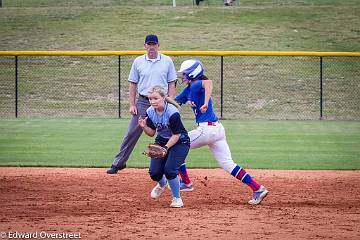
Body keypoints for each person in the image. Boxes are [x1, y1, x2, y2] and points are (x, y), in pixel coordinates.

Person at [175, 59, 269, 205]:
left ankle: (186, 182)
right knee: (227, 164)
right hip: (216, 129)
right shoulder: (188, 89)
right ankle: (258, 188)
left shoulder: (196, 84)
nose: (183, 76)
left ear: (193, 74)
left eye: (185, 73)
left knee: (177, 145)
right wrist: (158, 99)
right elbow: (175, 102)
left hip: (207, 129)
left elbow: (209, 83)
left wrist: (205, 102)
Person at [106, 34, 177, 174]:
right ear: (145, 46)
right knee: (131, 133)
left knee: (169, 132)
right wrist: (132, 104)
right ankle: (118, 163)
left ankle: (170, 166)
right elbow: (133, 83)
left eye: (154, 44)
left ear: (158, 45)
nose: (151, 47)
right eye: (149, 44)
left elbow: (171, 82)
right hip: (143, 102)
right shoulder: (138, 61)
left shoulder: (167, 61)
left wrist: (171, 101)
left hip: (162, 102)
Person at [138, 86, 190, 208]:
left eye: (155, 98)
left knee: (170, 170)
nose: (152, 101)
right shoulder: (150, 111)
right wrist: (143, 126)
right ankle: (162, 184)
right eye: (150, 99)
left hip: (180, 141)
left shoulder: (172, 112)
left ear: (163, 98)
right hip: (161, 140)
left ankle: (177, 199)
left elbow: (176, 135)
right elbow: (151, 133)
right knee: (154, 173)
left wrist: (165, 148)